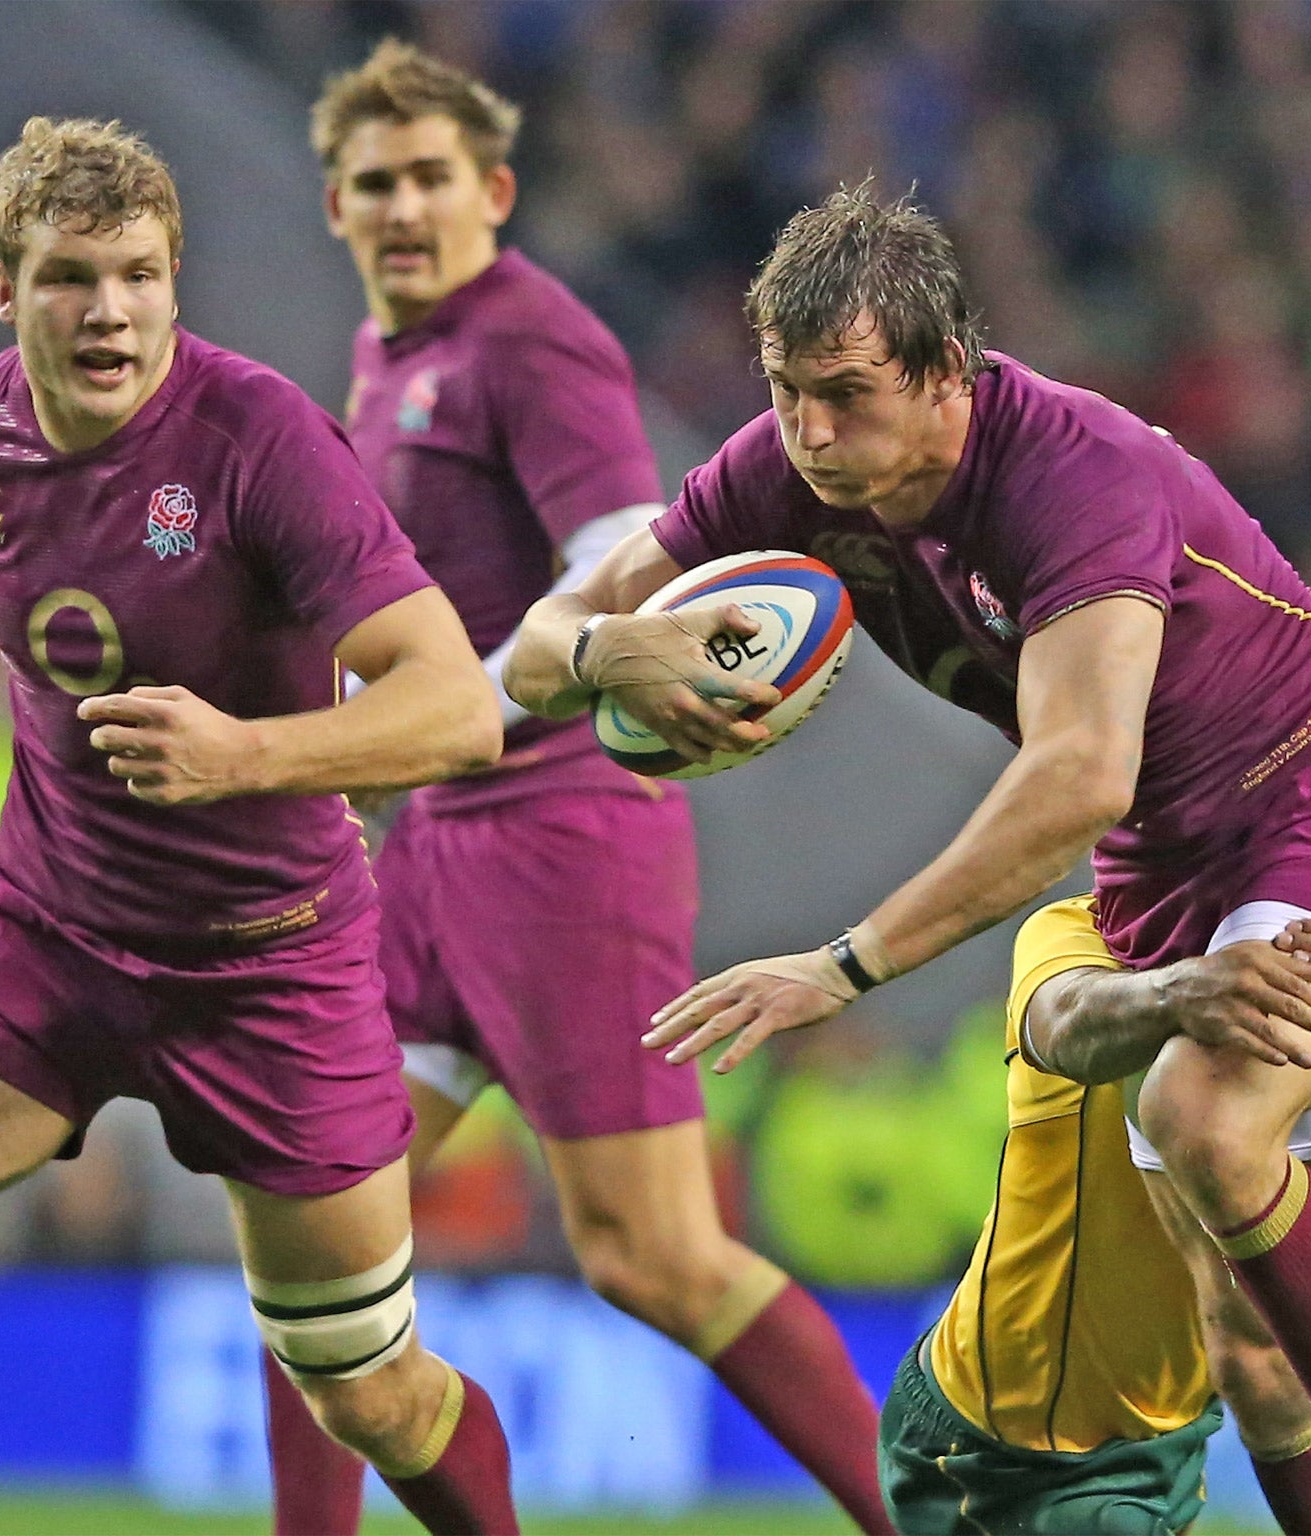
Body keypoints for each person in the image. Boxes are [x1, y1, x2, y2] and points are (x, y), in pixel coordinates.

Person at [507, 183, 1311, 1535]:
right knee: (1231, 1316)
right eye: (786, 391)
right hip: (1164, 857)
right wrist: (612, 650)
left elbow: (1081, 773)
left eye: (845, 393)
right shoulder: (777, 473)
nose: (810, 431)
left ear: (949, 370)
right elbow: (542, 642)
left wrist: (846, 966)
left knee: (1201, 1118)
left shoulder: (1075, 473)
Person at [0, 116, 521, 1536]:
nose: (110, 309)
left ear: (176, 281)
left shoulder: (262, 441)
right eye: (71, 277)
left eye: (142, 274)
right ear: (4, 292)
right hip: (45, 938)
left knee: (370, 1393)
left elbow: (455, 707)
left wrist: (246, 753)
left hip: (271, 970)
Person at [259, 42, 891, 1535]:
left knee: (653, 1255)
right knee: (315, 1224)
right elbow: (424, 610)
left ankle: (927, 1520)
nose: (404, 207)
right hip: (430, 853)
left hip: (559, 838)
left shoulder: (527, 344)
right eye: (374, 183)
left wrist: (393, 735)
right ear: (335, 206)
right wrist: (360, 738)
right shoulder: (390, 361)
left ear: (494, 190)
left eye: (431, 178)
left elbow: (617, 562)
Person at [881, 727, 1311, 1536]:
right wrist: (1184, 994)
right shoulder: (1104, 934)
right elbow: (1064, 1022)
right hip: (1006, 1444)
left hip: (1172, 1438)